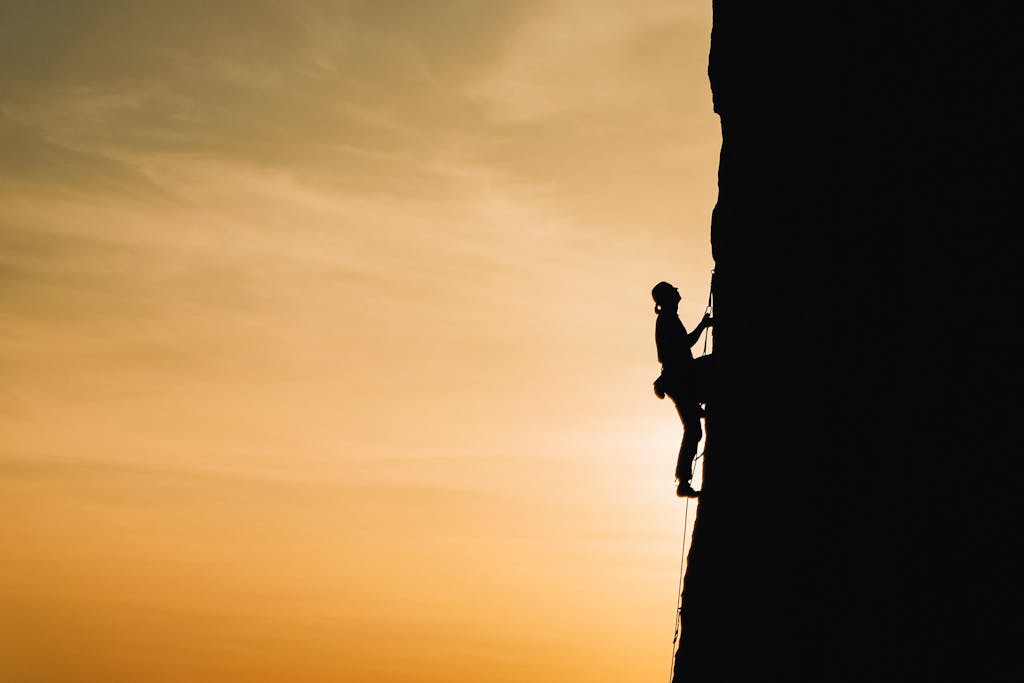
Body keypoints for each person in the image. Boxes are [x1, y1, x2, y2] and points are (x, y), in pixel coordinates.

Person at [651, 281, 713, 498]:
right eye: (674, 291)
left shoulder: (668, 319)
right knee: (694, 429)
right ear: (668, 298)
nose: (678, 292)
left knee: (694, 428)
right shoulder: (667, 320)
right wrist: (703, 325)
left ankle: (683, 481)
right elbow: (684, 344)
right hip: (680, 379)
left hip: (679, 378)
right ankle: (683, 481)